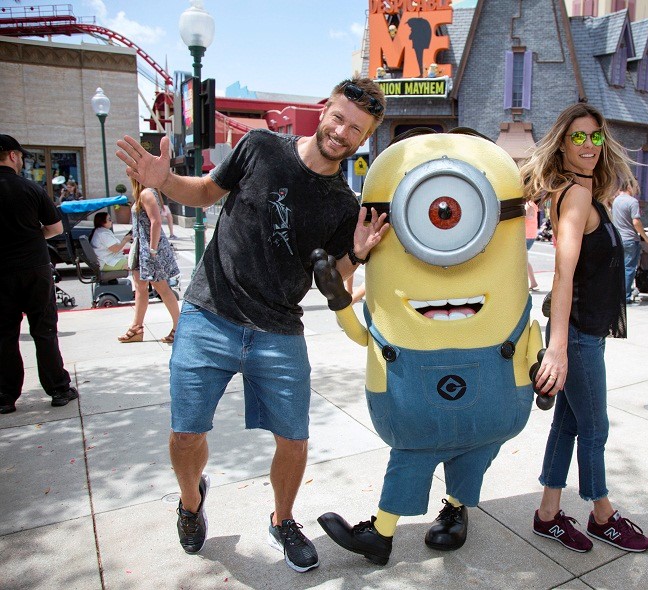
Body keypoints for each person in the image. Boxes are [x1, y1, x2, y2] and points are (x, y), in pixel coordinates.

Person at [115, 77, 389, 571]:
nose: (341, 131)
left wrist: (357, 253)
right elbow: (202, 193)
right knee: (185, 434)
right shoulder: (260, 147)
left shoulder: (344, 205)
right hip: (208, 315)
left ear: (364, 137)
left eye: (355, 128)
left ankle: (282, 520)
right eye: (338, 117)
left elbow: (329, 274)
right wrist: (163, 181)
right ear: (324, 108)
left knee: (294, 440)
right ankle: (191, 502)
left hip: (279, 330)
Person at [519, 103, 648, 553]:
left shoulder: (582, 191)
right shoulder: (575, 196)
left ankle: (548, 514)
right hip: (577, 336)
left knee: (568, 426)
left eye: (596, 136)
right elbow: (563, 271)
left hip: (582, 331)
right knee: (595, 429)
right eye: (579, 137)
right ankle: (603, 515)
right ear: (563, 143)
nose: (590, 145)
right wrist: (558, 348)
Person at [0, 134, 79, 414]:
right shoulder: (30, 189)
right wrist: (33, 236)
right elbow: (56, 228)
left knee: (5, 335)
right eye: (20, 156)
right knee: (44, 330)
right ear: (12, 156)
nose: (21, 160)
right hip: (34, 267)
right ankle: (58, 389)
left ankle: (6, 395)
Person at [117, 179, 181, 344]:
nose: (129, 173)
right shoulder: (144, 193)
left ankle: (179, 327)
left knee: (161, 287)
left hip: (150, 248)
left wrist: (152, 250)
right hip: (142, 247)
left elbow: (156, 222)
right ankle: (136, 328)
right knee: (140, 287)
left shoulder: (147, 193)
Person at [611, 180, 648, 303]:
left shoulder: (616, 200)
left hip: (618, 238)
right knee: (629, 268)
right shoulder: (632, 202)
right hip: (630, 239)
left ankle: (616, 294)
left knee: (617, 268)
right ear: (629, 186)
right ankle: (625, 297)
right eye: (636, 186)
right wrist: (645, 237)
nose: (637, 189)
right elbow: (636, 222)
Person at [525, 199, 540, 291]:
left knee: (523, 260)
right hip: (529, 235)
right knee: (524, 260)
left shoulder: (530, 205)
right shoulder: (531, 204)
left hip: (527, 235)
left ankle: (532, 282)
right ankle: (533, 282)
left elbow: (529, 217)